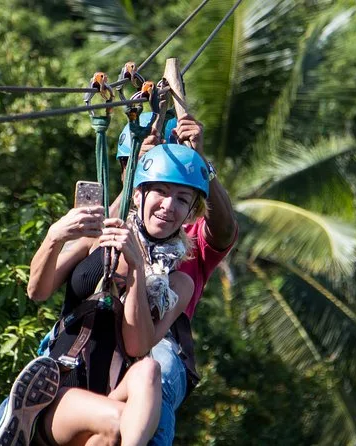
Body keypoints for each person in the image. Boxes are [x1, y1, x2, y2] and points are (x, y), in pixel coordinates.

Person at [0, 143, 211, 446]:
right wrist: (54, 237)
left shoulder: (179, 283)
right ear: (138, 194)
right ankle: (24, 417)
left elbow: (137, 345)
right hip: (61, 389)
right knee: (119, 422)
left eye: (182, 199)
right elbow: (37, 290)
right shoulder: (96, 240)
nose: (168, 205)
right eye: (160, 191)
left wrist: (137, 270)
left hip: (111, 397)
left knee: (148, 370)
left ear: (189, 213)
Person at [116, 111, 238, 446]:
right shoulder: (120, 216)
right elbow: (96, 235)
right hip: (104, 320)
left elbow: (224, 229)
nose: (167, 204)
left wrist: (201, 164)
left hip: (160, 340)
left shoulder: (191, 234)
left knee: (161, 373)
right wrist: (135, 173)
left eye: (181, 194)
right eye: (130, 166)